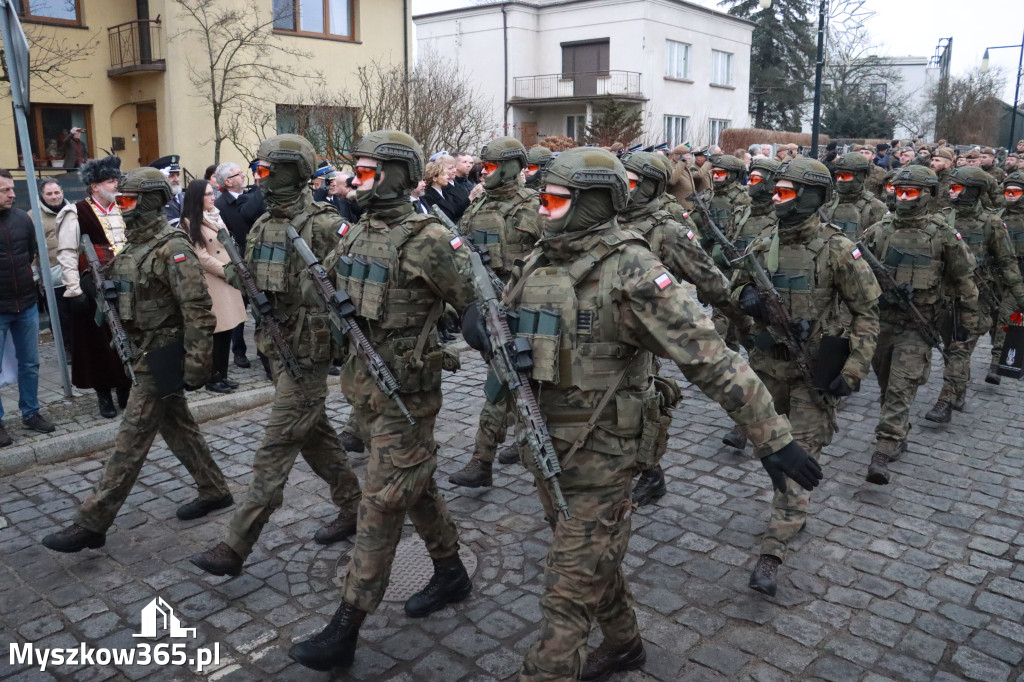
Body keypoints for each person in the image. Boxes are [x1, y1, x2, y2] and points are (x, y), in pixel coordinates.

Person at [462, 147, 819, 682]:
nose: (544, 209)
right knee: (595, 562)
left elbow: (711, 358)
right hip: (548, 444)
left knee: (567, 588)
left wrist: (773, 437)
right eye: (545, 197)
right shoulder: (543, 256)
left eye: (558, 200)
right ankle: (626, 645)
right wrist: (488, 329)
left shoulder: (632, 270)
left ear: (592, 204)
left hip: (605, 455)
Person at [288, 131, 479, 672]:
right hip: (363, 389)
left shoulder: (430, 238)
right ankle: (451, 571)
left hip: (408, 393)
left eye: (368, 171)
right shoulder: (355, 229)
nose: (356, 179)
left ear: (396, 174)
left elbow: (478, 304)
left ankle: (347, 623)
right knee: (413, 484)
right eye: (357, 171)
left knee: (381, 501)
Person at [190, 134, 362, 578]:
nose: (258, 180)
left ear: (289, 172)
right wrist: (210, 262)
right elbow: (249, 278)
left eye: (266, 171)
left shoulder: (325, 225)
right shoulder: (265, 224)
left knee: (276, 446)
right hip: (276, 346)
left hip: (309, 351)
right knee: (316, 435)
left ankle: (235, 544)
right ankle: (354, 507)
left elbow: (357, 289)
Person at [41, 167, 232, 553]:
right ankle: (214, 490)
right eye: (121, 199)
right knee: (179, 428)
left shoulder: (171, 247)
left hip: (162, 358)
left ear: (148, 202)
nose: (122, 207)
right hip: (141, 350)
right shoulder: (134, 246)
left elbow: (197, 310)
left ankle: (92, 521)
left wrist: (198, 364)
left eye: (129, 201)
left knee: (130, 440)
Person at [731, 158, 880, 597]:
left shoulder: (837, 250)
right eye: (776, 190)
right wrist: (749, 301)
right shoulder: (763, 243)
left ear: (814, 196)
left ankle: (773, 549)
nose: (778, 198)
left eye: (788, 191)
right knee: (771, 451)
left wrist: (852, 370)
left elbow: (867, 314)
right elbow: (733, 293)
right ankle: (791, 505)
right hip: (768, 371)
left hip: (813, 372)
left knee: (801, 456)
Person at [615, 151, 737, 506]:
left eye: (633, 183)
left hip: (649, 334)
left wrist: (739, 317)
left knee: (641, 405)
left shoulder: (666, 228)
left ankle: (650, 473)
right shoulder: (609, 220)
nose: (624, 190)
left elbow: (709, 279)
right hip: (608, 329)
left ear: (651, 187)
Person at [861, 166, 979, 484]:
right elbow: (856, 276)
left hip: (918, 325)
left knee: (901, 388)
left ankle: (883, 450)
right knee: (887, 387)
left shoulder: (942, 234)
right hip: (883, 325)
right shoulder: (879, 231)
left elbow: (963, 280)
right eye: (898, 191)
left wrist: (966, 321)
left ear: (927, 195)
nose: (902, 198)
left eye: (910, 192)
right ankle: (899, 434)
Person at [448, 137, 542, 488]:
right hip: (490, 311)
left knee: (519, 384)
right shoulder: (476, 206)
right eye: (481, 166)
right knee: (503, 381)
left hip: (529, 311)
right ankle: (488, 457)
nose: (482, 172)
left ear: (510, 168)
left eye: (489, 166)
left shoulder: (535, 207)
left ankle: (503, 451)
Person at [924, 166, 1024, 421]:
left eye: (957, 188)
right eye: (951, 187)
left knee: (960, 347)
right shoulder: (941, 218)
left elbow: (1007, 261)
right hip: (944, 296)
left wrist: (1020, 295)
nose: (951, 192)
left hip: (977, 298)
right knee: (949, 346)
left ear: (973, 191)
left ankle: (945, 401)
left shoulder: (991, 222)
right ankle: (958, 389)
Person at [55, 155, 133, 418]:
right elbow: (66, 253)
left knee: (126, 334)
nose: (116, 185)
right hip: (92, 284)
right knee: (98, 342)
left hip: (126, 283)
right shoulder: (76, 211)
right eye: (111, 181)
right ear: (95, 186)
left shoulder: (124, 207)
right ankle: (103, 395)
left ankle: (125, 388)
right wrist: (74, 289)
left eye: (116, 180)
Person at [0, 169, 56, 447]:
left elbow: (32, 254)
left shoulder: (22, 219)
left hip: (26, 304)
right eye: (5, 190)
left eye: (11, 189)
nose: (12, 194)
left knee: (30, 363)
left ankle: (31, 412)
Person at [181, 179, 247, 394]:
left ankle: (223, 375)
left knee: (227, 331)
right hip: (213, 281)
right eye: (208, 194)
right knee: (216, 333)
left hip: (227, 278)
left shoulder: (216, 216)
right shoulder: (189, 222)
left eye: (213, 193)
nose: (213, 197)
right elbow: (201, 257)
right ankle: (213, 378)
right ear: (197, 198)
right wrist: (227, 271)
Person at [38, 178, 72, 356]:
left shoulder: (74, 212)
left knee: (79, 315)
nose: (54, 196)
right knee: (60, 318)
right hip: (53, 277)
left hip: (76, 273)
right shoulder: (33, 216)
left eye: (57, 192)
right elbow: (33, 249)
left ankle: (81, 348)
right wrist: (37, 279)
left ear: (62, 193)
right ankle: (65, 349)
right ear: (42, 196)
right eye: (49, 193)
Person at [822, 152, 888, 239]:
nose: (840, 180)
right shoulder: (827, 202)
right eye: (838, 175)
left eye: (846, 175)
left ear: (861, 176)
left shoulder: (877, 208)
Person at [421, 157, 469, 223]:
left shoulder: (444, 193)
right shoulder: (428, 196)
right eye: (444, 174)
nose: (447, 177)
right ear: (435, 178)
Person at [149, 155, 184, 227]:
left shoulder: (186, 197)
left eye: (177, 175)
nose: (176, 179)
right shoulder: (157, 200)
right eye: (171, 175)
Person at [928, 147, 956, 213]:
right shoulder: (929, 177)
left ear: (947, 164)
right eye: (932, 160)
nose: (932, 163)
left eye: (937, 160)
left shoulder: (955, 181)